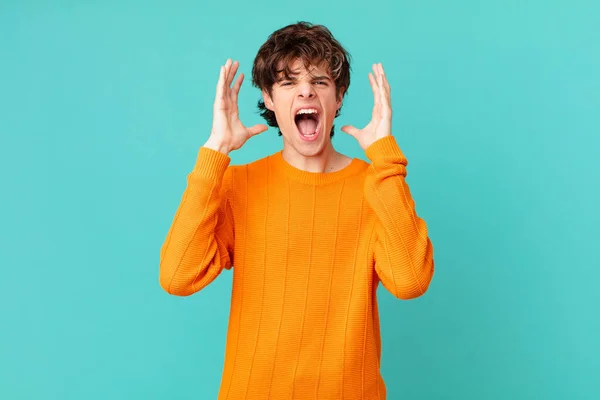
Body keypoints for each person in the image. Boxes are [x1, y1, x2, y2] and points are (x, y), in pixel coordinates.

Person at [159, 21, 434, 400]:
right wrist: (215, 152)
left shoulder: (376, 186)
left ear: (338, 98)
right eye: (288, 82)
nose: (306, 89)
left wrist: (386, 160)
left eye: (320, 81)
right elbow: (177, 277)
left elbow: (410, 282)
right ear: (270, 100)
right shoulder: (238, 185)